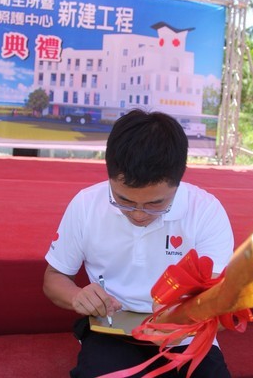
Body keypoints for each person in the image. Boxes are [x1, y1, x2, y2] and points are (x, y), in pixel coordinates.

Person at [42, 109, 235, 377]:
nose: (139, 214)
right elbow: (54, 277)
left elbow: (221, 299)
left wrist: (180, 319)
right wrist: (77, 296)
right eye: (123, 200)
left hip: (186, 333)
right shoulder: (87, 204)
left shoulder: (205, 211)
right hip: (112, 328)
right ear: (109, 175)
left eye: (156, 203)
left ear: (178, 182)